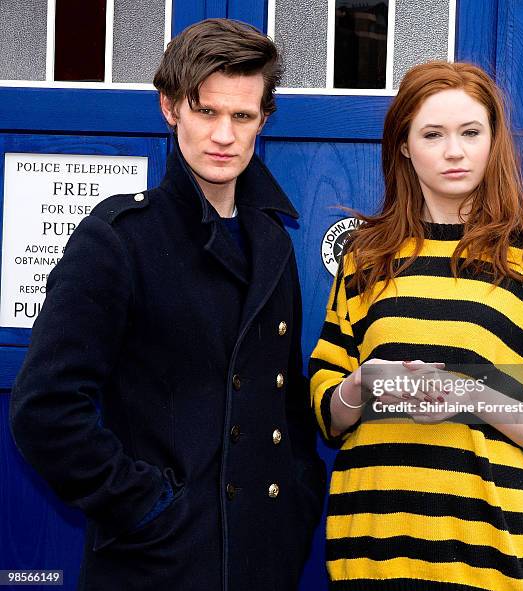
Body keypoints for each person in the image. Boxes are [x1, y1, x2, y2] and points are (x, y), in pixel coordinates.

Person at [10, 18, 325, 591]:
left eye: (242, 116)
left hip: (263, 559)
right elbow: (46, 409)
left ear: (264, 120)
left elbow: (282, 402)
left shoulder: (271, 239)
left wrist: (296, 502)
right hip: (159, 563)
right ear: (170, 107)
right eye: (206, 112)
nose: (224, 135)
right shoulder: (120, 237)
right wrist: (148, 508)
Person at [309, 61, 523, 591]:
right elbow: (327, 410)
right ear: (405, 147)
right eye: (432, 134)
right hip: (372, 553)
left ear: (493, 140)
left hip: (495, 558)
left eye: (470, 132)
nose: (454, 151)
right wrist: (360, 387)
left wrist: (471, 394)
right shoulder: (365, 258)